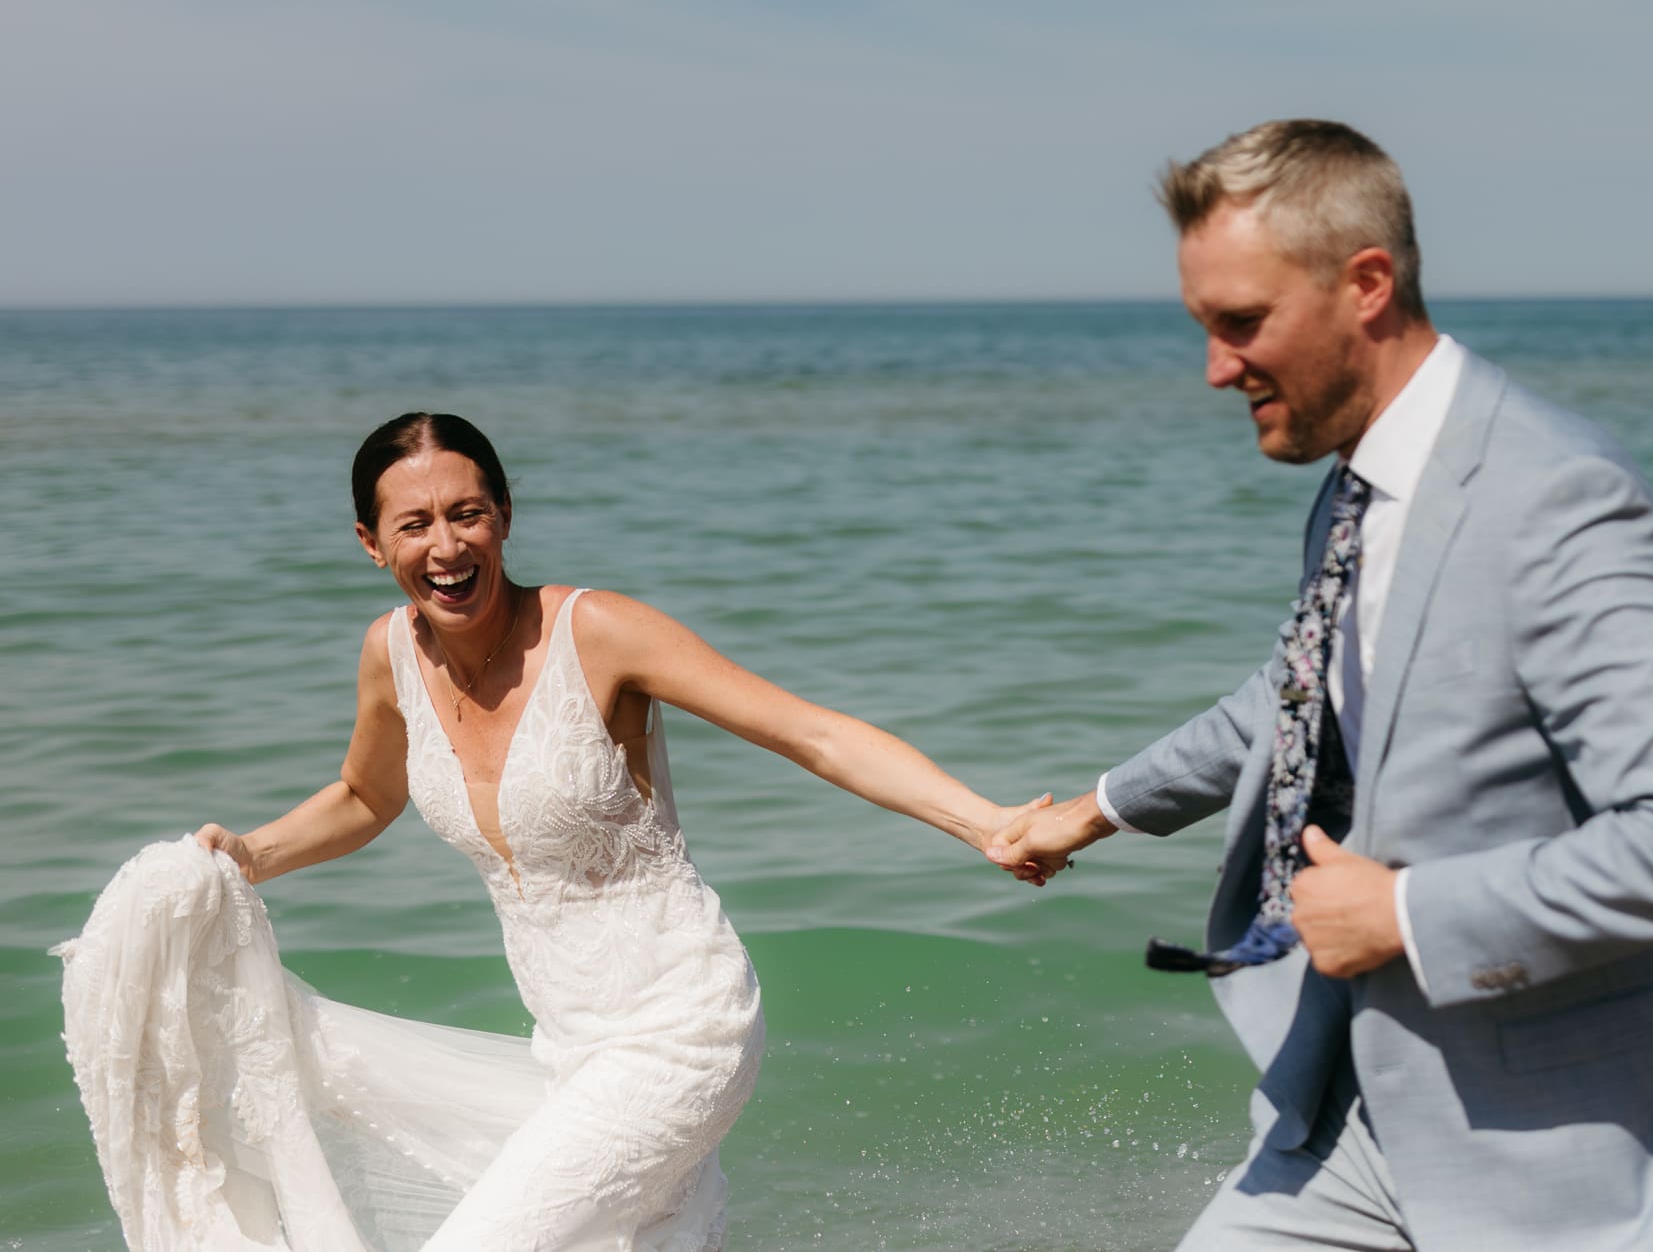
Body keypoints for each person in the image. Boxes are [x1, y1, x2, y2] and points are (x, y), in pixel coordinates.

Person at [985, 119, 1653, 1250]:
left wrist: (1402, 912)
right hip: (1356, 1110)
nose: (1216, 368)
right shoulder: (1362, 485)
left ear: (1365, 284)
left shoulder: (1547, 493)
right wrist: (1097, 810)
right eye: (1203, 327)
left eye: (1241, 325)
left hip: (1569, 1135)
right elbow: (1295, 696)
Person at [64, 411, 1052, 1250]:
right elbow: (367, 798)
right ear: (372, 543)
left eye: (468, 514)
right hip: (566, 1044)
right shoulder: (389, 656)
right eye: (414, 525)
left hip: (681, 1027)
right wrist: (248, 855)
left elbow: (811, 734)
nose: (446, 547)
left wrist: (984, 822)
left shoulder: (596, 633)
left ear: (503, 517)